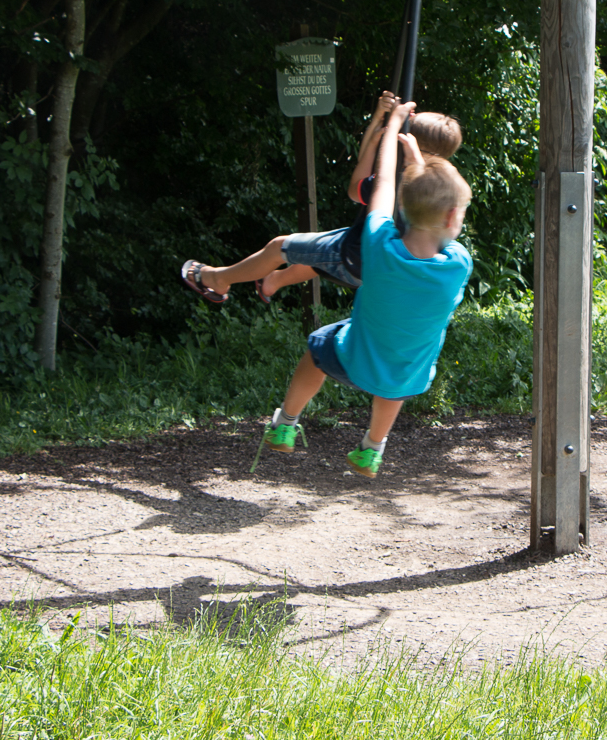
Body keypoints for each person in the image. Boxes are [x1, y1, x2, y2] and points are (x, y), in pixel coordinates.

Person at [256, 100, 473, 477]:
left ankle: (286, 424)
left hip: (354, 357)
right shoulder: (458, 264)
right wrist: (422, 164)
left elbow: (385, 183)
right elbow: (427, 218)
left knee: (318, 348)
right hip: (407, 373)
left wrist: (393, 130)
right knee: (394, 387)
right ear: (453, 217)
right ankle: (372, 449)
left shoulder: (379, 244)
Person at [181, 91, 462, 303]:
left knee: (281, 246)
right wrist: (380, 125)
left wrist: (379, 136)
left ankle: (217, 279)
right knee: (319, 253)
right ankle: (271, 283)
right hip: (381, 267)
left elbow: (355, 188)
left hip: (357, 257)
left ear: (408, 139)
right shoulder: (435, 187)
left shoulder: (397, 181)